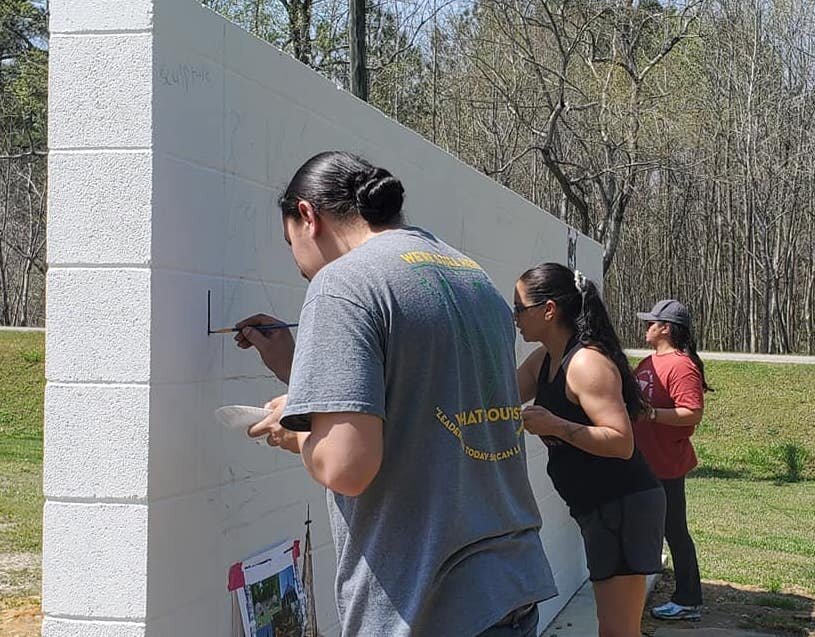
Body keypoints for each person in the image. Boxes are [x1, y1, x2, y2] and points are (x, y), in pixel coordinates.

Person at [235, 151, 557, 636]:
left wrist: (296, 431)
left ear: (307, 215)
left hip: (427, 602)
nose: (299, 266)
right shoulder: (471, 278)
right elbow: (423, 399)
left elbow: (347, 466)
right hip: (508, 586)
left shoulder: (341, 284)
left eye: (290, 242)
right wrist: (297, 372)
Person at [515, 263, 665, 637]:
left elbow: (620, 441)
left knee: (617, 631)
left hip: (624, 505)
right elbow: (495, 396)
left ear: (548, 310)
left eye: (519, 308)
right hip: (597, 507)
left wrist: (555, 426)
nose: (513, 317)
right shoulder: (545, 360)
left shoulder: (586, 363)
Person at [633, 300, 709, 621]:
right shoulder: (649, 362)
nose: (646, 326)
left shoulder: (681, 365)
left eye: (652, 322)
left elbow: (692, 412)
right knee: (650, 528)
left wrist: (650, 414)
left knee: (674, 531)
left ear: (665, 328)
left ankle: (689, 599)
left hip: (665, 464)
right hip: (641, 462)